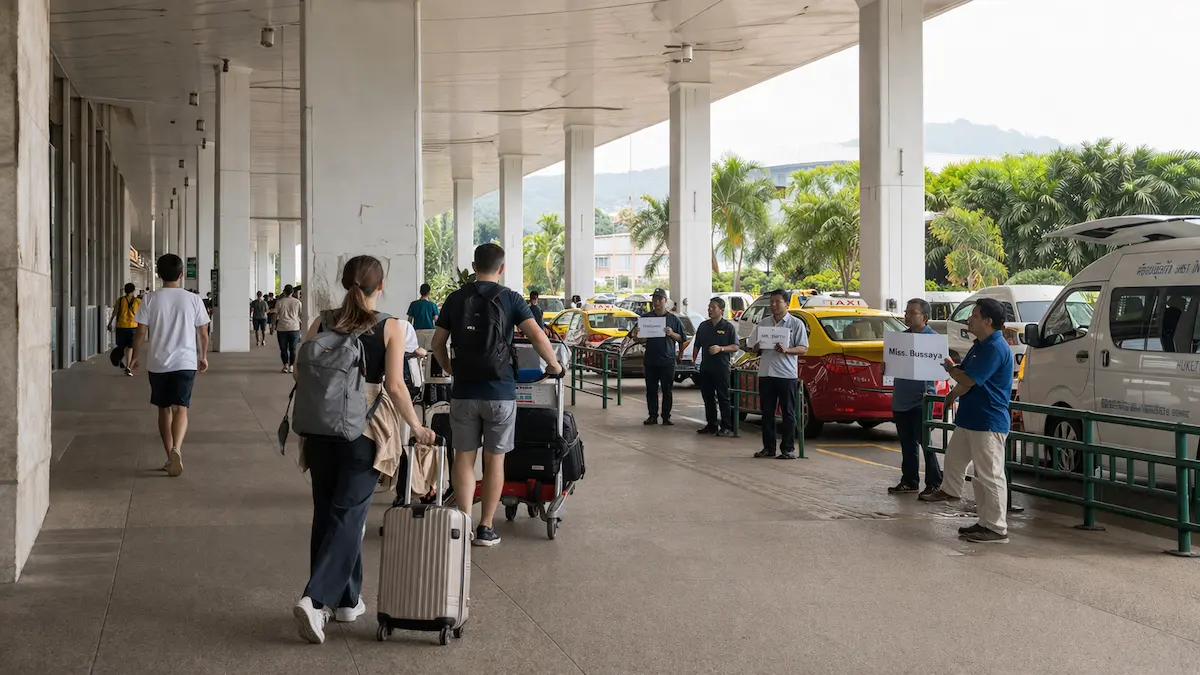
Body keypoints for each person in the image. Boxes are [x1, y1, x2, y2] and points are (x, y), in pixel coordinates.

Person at [291, 255, 436, 644]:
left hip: (320, 429)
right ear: (381, 285)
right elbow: (396, 385)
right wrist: (417, 426)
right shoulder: (392, 326)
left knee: (330, 514)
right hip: (364, 431)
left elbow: (298, 370)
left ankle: (347, 601)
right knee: (349, 516)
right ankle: (315, 599)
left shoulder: (322, 321)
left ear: (343, 283)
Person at [432, 243, 563, 548]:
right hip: (500, 392)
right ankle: (486, 528)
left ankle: (462, 525)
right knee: (495, 461)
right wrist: (554, 365)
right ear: (501, 269)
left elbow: (438, 342)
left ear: (474, 265)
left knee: (463, 459)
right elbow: (536, 335)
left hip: (464, 392)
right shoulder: (510, 298)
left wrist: (451, 368)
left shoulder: (456, 298)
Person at [921, 297, 1014, 544]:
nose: (969, 319)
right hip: (971, 418)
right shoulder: (980, 345)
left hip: (988, 420)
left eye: (974, 315)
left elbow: (970, 379)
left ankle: (995, 527)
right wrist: (952, 394)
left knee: (989, 475)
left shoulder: (995, 348)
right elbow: (967, 379)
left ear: (988, 321)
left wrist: (952, 370)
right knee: (956, 459)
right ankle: (970, 510)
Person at [129, 254, 210, 477]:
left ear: (158, 274)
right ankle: (177, 449)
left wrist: (134, 357)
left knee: (164, 409)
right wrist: (203, 356)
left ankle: (169, 457)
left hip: (158, 363)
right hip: (185, 362)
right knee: (181, 408)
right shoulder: (193, 299)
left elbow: (140, 332)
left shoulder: (150, 299)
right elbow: (203, 332)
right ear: (182, 274)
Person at [887, 298, 943, 496]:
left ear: (925, 317)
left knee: (925, 443)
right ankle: (909, 480)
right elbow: (890, 366)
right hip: (901, 399)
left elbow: (940, 370)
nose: (907, 316)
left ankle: (934, 482)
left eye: (912, 313)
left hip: (922, 400)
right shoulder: (900, 340)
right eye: (906, 312)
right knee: (907, 444)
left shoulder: (933, 340)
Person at [752, 289, 808, 459]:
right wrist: (757, 346)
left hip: (786, 375)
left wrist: (787, 350)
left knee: (788, 413)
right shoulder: (764, 323)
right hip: (766, 373)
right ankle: (768, 448)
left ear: (787, 303)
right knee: (767, 413)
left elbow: (804, 348)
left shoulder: (796, 324)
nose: (773, 305)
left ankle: (788, 449)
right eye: (771, 302)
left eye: (777, 301)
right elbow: (752, 346)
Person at [629, 288, 685, 426]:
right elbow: (638, 339)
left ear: (666, 301)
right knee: (651, 390)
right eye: (655, 299)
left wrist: (672, 334)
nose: (657, 302)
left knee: (667, 390)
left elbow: (681, 338)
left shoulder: (673, 319)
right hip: (651, 361)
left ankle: (666, 416)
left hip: (667, 361)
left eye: (660, 299)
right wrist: (637, 335)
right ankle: (652, 416)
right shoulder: (645, 318)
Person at [692, 297, 739, 437]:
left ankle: (726, 426)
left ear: (721, 310)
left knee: (723, 397)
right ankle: (711, 424)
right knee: (708, 397)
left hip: (721, 368)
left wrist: (721, 349)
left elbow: (735, 346)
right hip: (706, 367)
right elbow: (697, 345)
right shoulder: (703, 326)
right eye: (709, 307)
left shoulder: (728, 327)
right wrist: (694, 361)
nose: (710, 310)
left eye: (713, 307)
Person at [107, 282, 141, 377]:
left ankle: (121, 360)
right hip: (133, 327)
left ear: (125, 290)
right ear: (133, 291)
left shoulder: (120, 300)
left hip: (121, 326)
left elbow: (114, 313)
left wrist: (110, 323)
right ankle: (128, 366)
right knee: (130, 347)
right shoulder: (138, 301)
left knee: (121, 346)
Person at [275, 285, 304, 373]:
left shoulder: (280, 302)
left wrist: (272, 326)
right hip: (294, 328)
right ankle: (291, 366)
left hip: (282, 328)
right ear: (292, 292)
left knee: (283, 348)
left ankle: (285, 365)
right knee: (293, 348)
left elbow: (275, 314)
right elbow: (301, 315)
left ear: (284, 292)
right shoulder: (298, 302)